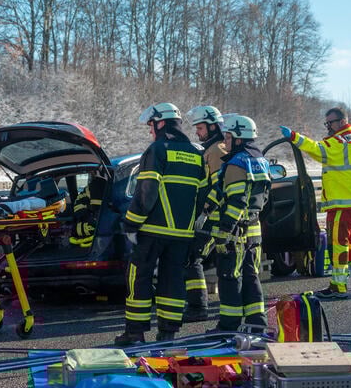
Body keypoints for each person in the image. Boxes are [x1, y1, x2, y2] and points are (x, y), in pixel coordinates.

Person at [114, 103, 205, 346]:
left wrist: (131, 224)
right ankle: (168, 334)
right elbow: (203, 196)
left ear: (160, 123)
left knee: (139, 277)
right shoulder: (197, 154)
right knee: (173, 280)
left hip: (152, 230)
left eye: (150, 126)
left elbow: (147, 192)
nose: (150, 132)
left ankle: (135, 333)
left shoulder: (157, 149)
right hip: (183, 234)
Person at [280, 108, 351, 299]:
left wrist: (294, 136)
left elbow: (316, 150)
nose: (328, 127)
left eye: (330, 123)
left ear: (342, 122)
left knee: (339, 243)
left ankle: (337, 287)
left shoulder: (337, 142)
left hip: (343, 202)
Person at [205, 115, 271, 332]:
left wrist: (224, 229)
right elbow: (262, 198)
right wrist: (207, 209)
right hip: (254, 230)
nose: (225, 141)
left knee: (229, 277)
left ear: (238, 137)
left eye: (228, 136)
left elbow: (235, 200)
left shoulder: (236, 163)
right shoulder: (260, 160)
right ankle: (256, 323)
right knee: (251, 276)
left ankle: (229, 325)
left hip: (236, 233)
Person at [182, 105, 228, 323]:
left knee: (193, 258)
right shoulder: (212, 149)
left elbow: (220, 187)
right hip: (211, 217)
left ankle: (198, 307)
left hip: (214, 218)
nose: (197, 132)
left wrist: (206, 212)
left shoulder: (217, 150)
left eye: (200, 128)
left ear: (212, 126)